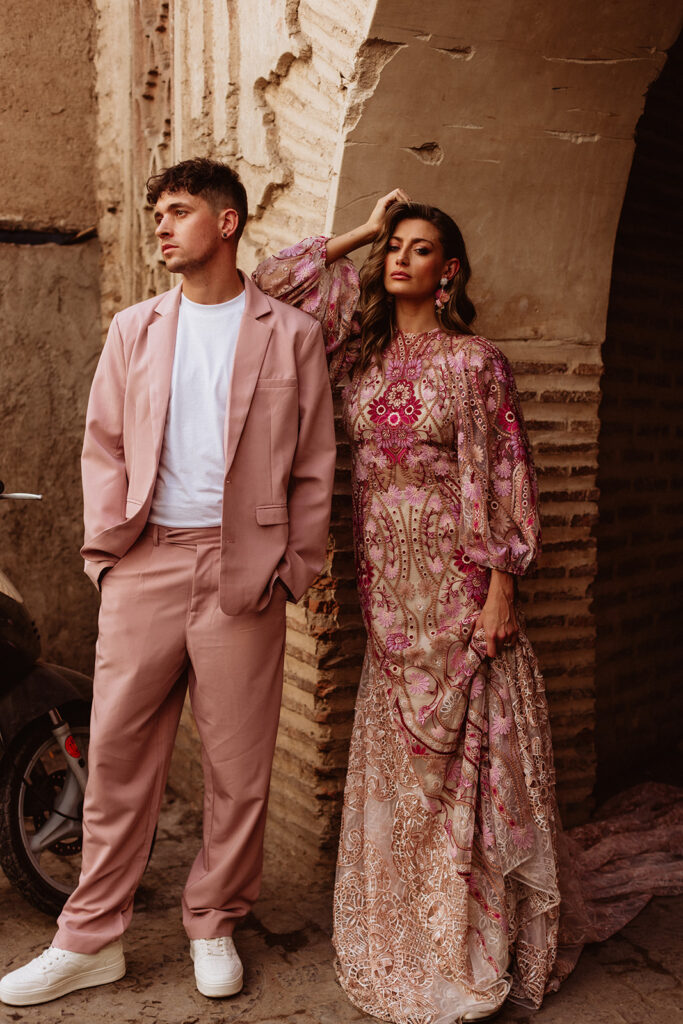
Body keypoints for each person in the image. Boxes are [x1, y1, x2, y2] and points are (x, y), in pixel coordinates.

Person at [0, 158, 337, 1008]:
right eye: (157, 211)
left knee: (237, 767)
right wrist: (109, 560)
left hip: (244, 575)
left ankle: (213, 920)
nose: (161, 224)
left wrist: (289, 570)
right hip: (146, 561)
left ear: (226, 224)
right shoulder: (134, 328)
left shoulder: (290, 334)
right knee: (116, 759)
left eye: (178, 210)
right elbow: (103, 445)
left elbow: (315, 467)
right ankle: (89, 939)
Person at [251, 193, 580, 1022]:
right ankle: (411, 928)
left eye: (419, 247)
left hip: (460, 589)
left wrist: (502, 582)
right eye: (393, 246)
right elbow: (270, 285)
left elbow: (504, 469)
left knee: (469, 762)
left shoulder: (474, 362)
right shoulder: (355, 360)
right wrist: (357, 230)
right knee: (409, 773)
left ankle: (474, 938)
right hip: (388, 600)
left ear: (449, 271)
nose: (400, 258)